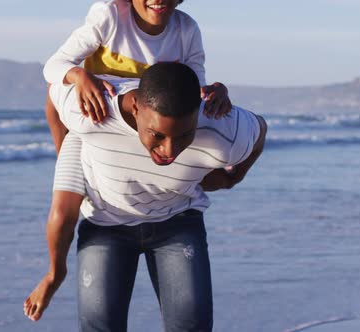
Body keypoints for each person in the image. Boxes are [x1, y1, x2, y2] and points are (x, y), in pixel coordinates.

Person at [25, 62, 267, 331]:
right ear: (136, 108)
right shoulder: (93, 110)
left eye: (183, 135)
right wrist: (66, 151)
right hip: (106, 224)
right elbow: (54, 89)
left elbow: (260, 129)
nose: (169, 150)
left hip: (178, 221)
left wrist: (233, 178)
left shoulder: (222, 131)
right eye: (157, 134)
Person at [42, 0, 232, 154]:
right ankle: (63, 158)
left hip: (149, 129)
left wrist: (217, 91)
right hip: (102, 116)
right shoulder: (109, 16)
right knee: (55, 85)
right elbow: (53, 66)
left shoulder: (186, 29)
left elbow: (194, 88)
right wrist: (79, 75)